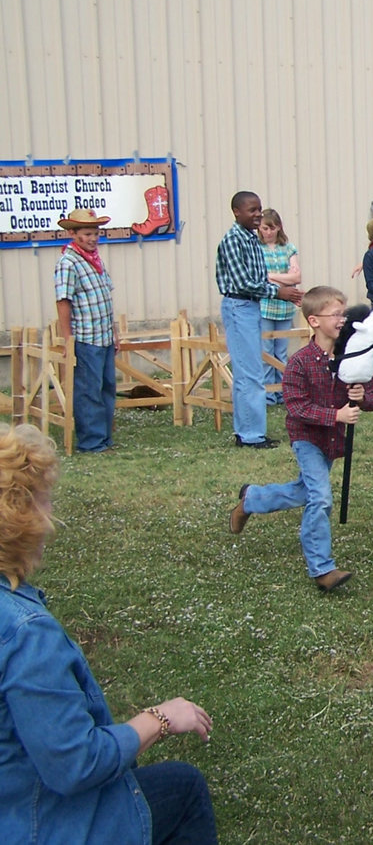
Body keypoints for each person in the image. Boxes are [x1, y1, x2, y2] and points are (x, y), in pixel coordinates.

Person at [0, 423, 218, 844]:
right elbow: (75, 764)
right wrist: (159, 719)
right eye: (44, 501)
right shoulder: (26, 636)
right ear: (20, 517)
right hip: (37, 824)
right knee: (184, 787)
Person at [228, 286, 373, 591]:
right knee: (320, 497)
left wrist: (362, 396)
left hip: (331, 442)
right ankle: (323, 569)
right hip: (307, 438)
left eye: (343, 312)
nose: (343, 319)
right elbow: (297, 407)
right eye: (336, 314)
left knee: (305, 491)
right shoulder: (300, 362)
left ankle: (252, 499)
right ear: (314, 320)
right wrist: (335, 416)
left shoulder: (351, 357)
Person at [216, 191, 303, 448]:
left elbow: (261, 277)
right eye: (251, 210)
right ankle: (250, 435)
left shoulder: (251, 240)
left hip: (253, 306)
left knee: (251, 369)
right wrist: (279, 292)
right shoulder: (233, 240)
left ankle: (250, 430)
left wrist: (286, 292)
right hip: (239, 305)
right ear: (236, 212)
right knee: (249, 372)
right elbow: (244, 282)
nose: (257, 215)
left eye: (259, 209)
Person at [54, 208, 118, 452]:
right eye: (87, 234)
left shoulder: (95, 260)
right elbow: (63, 301)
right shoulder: (68, 263)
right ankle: (91, 441)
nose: (93, 238)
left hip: (103, 335)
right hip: (86, 337)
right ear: (73, 234)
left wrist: (115, 334)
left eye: (95, 233)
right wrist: (67, 338)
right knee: (88, 390)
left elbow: (107, 299)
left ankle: (103, 437)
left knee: (106, 388)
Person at [259, 208, 301, 404]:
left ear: (279, 228)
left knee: (281, 351)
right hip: (265, 305)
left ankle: (283, 390)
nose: (268, 232)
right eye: (265, 228)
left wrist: (272, 277)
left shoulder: (288, 248)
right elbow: (258, 278)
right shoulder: (257, 249)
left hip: (285, 307)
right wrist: (284, 279)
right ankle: (268, 392)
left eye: (272, 228)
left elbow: (296, 277)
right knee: (266, 350)